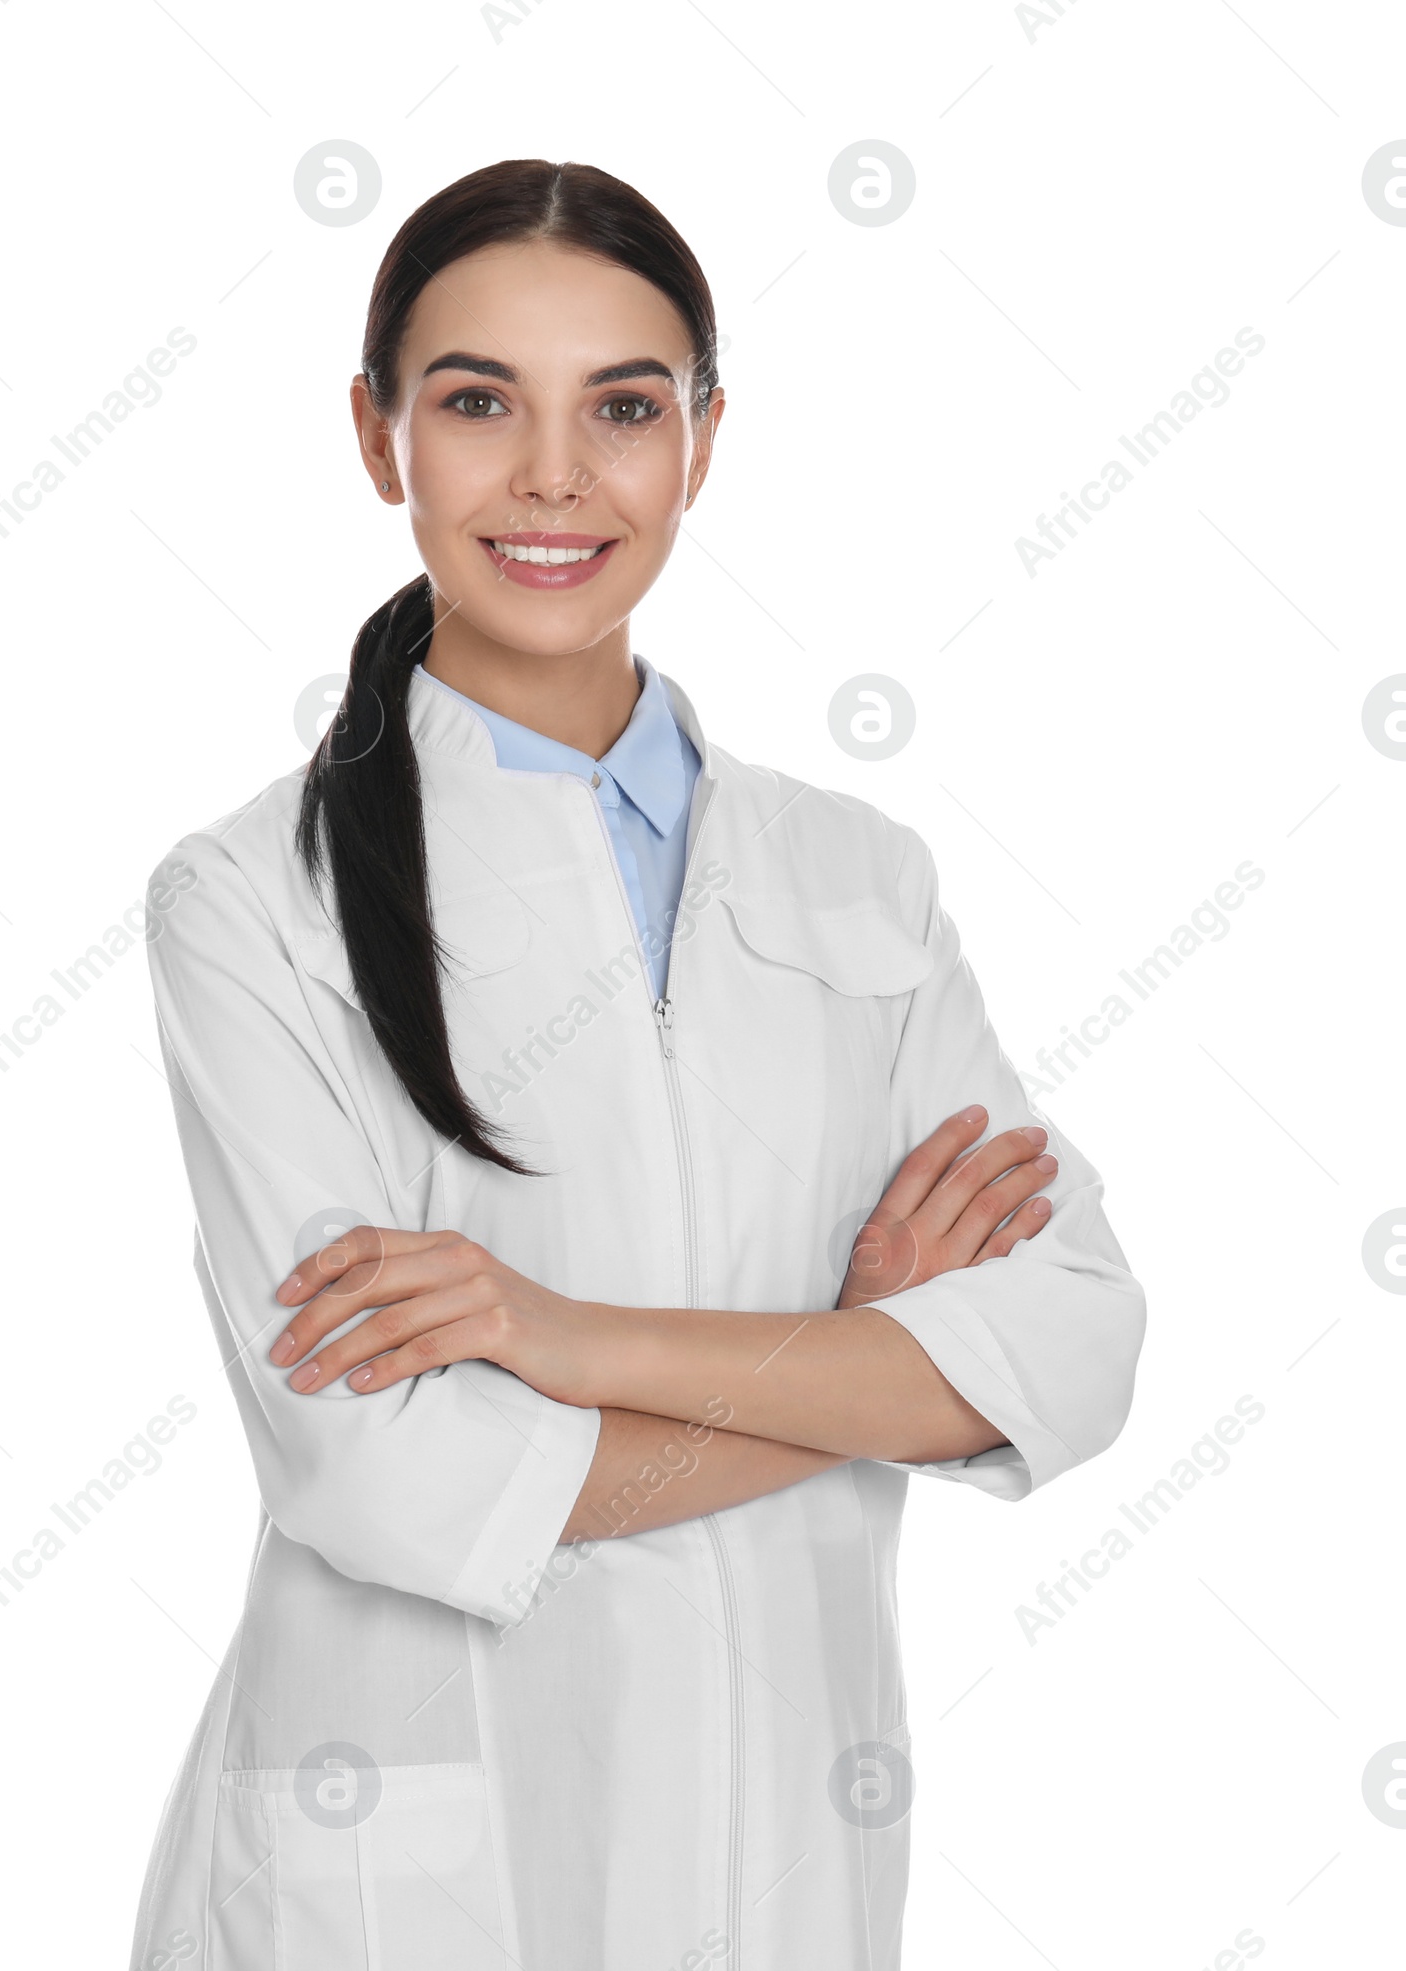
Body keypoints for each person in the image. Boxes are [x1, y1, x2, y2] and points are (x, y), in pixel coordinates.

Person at [128, 157, 1145, 1971]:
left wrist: (567, 1344)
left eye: (623, 407)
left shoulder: (858, 877)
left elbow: (1071, 1342)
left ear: (704, 438)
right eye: (474, 404)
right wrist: (860, 1364)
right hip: (410, 1861)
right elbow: (388, 1481)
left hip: (791, 1850)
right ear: (378, 438)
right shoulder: (246, 904)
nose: (551, 477)